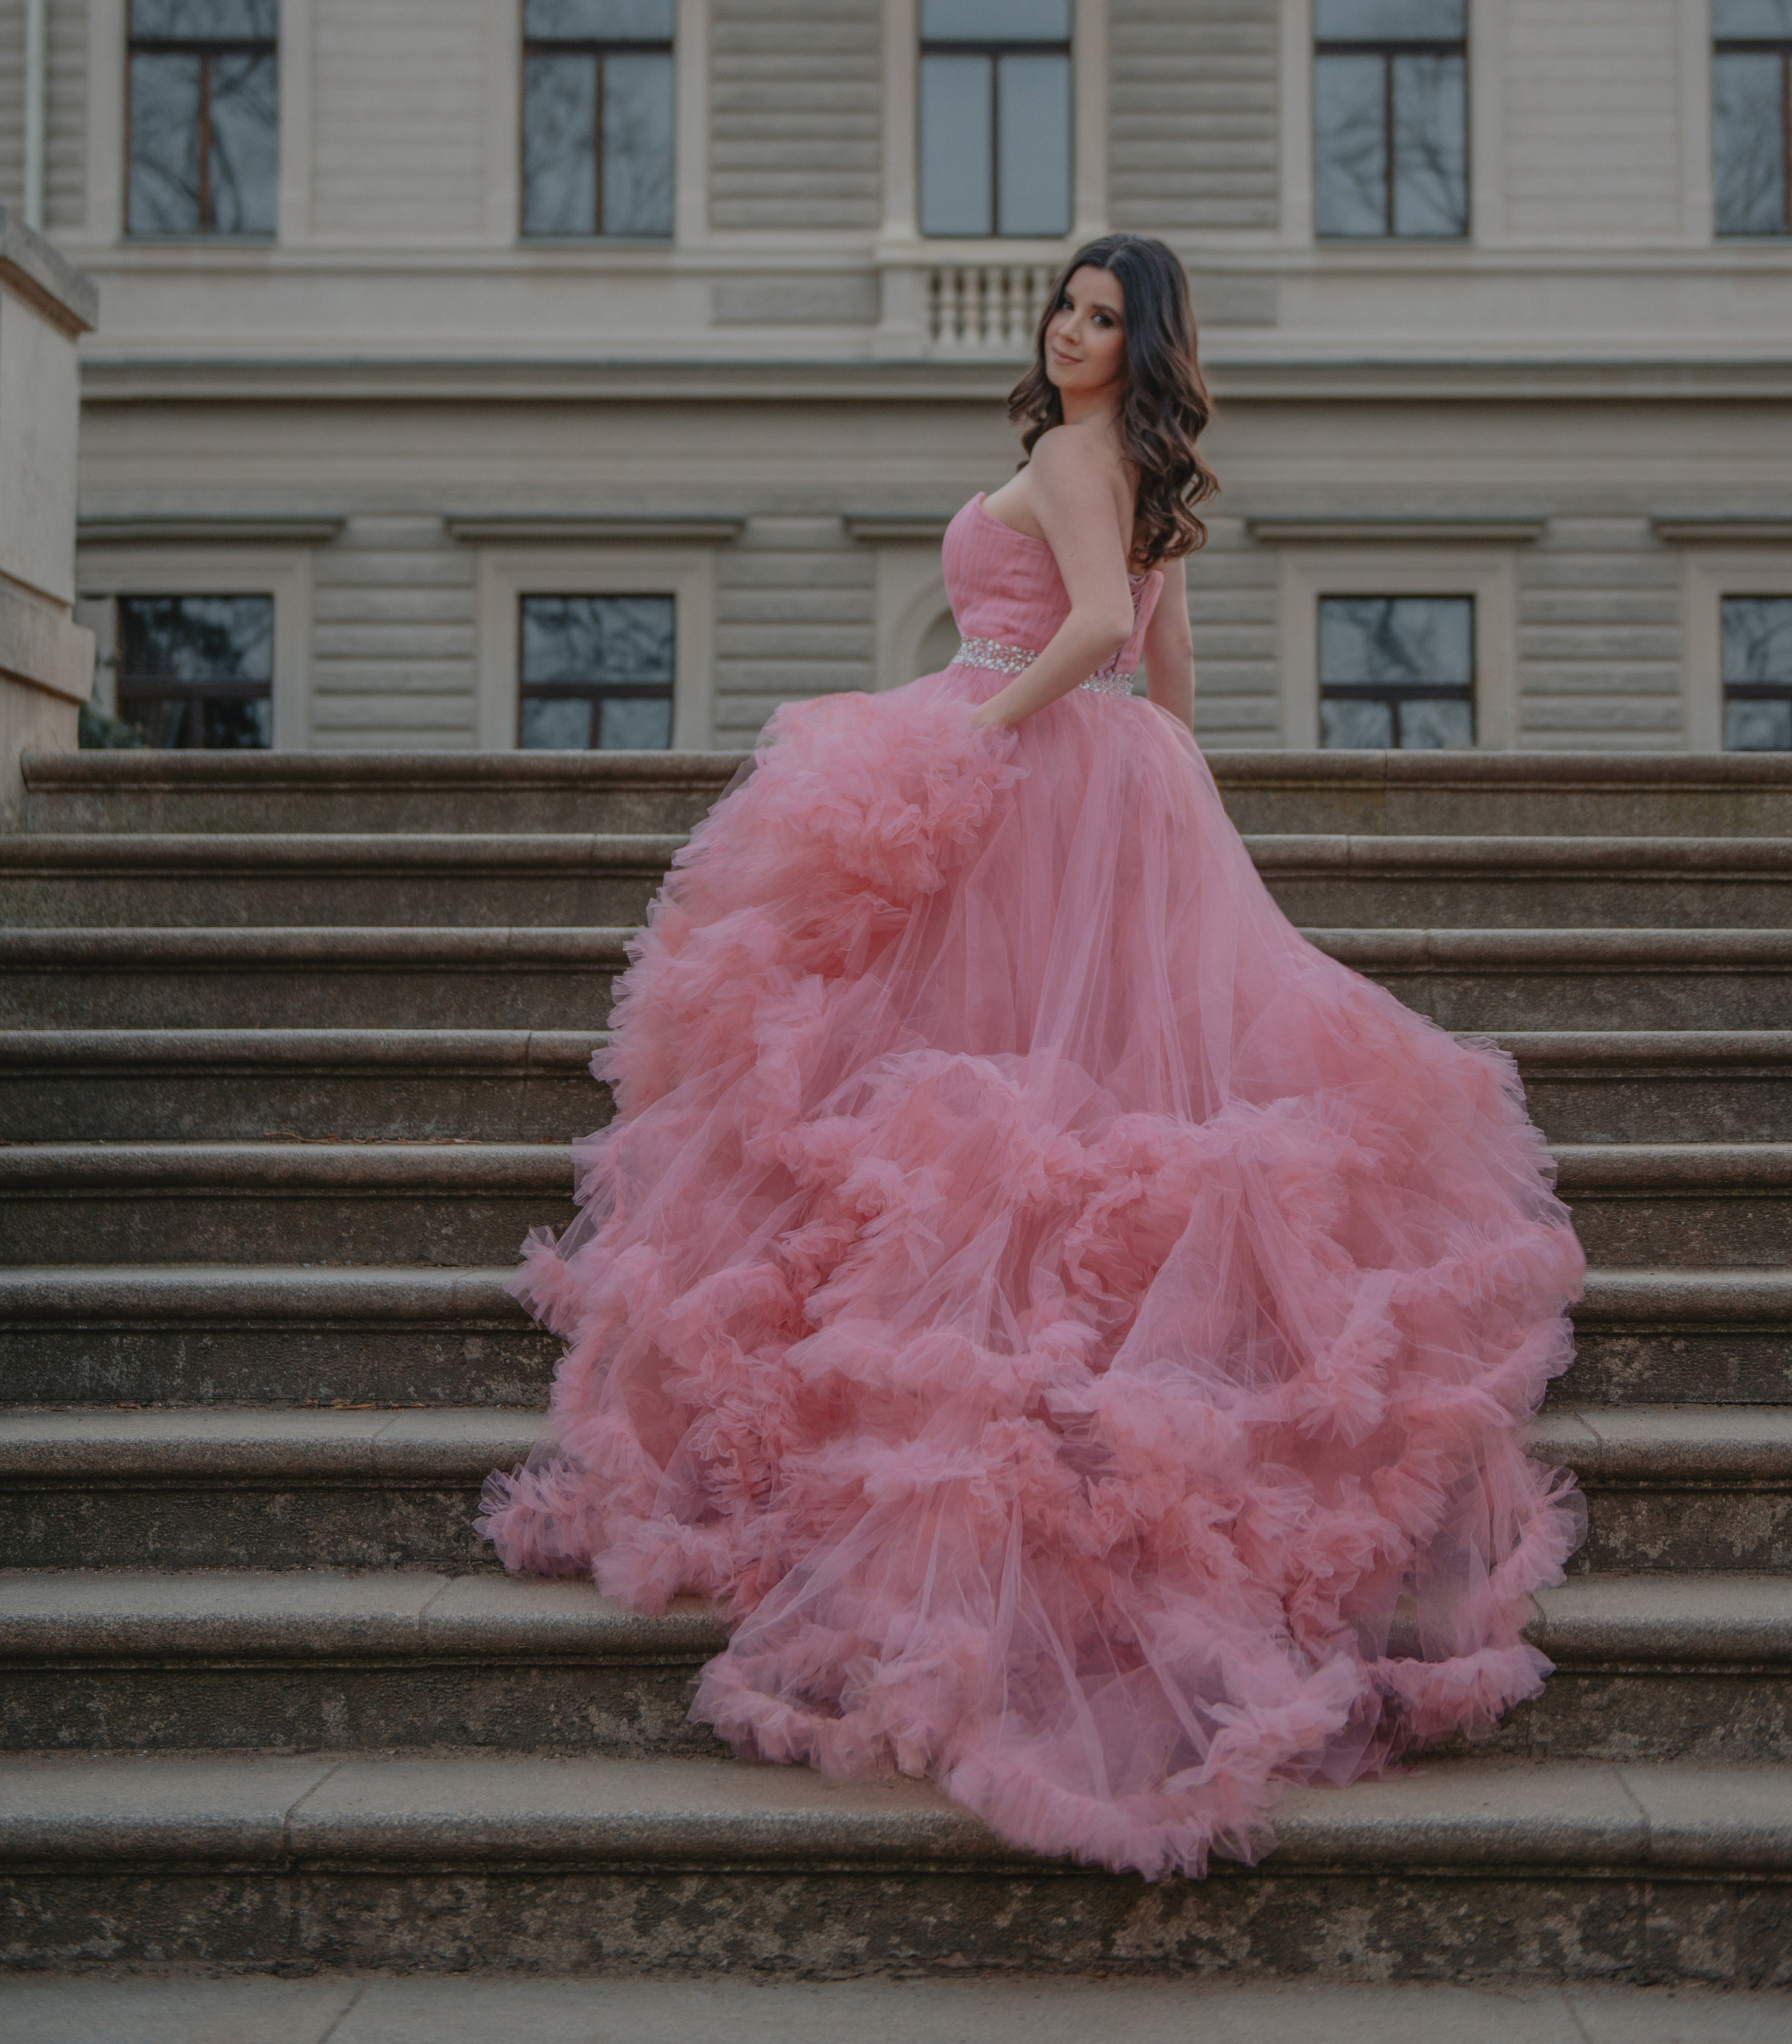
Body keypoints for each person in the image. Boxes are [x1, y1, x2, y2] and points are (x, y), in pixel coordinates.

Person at [480, 232, 1585, 1881]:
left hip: (1024, 755)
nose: (1069, 331)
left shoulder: (1077, 455)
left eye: (1099, 314)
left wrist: (969, 738)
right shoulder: (1133, 466)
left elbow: (1080, 630)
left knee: (966, 1086)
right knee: (1061, 1090)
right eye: (1063, 307)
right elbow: (1169, 675)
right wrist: (1158, 824)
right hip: (1111, 782)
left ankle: (1020, 1385)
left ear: (1136, 343)